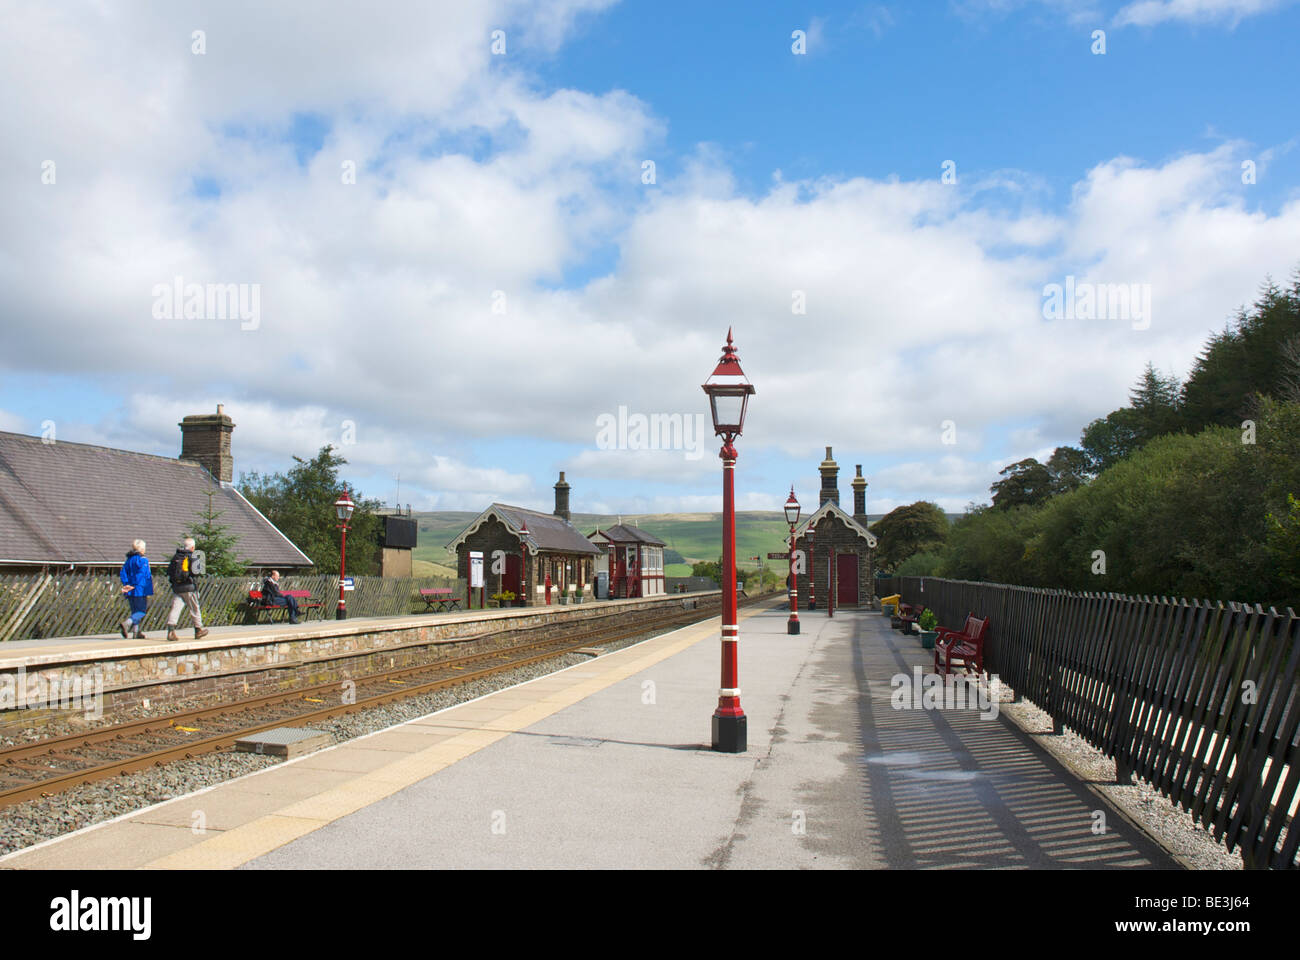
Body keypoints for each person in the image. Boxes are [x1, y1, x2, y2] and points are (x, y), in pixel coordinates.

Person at [165, 538, 210, 641]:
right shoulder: (193, 556)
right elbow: (196, 572)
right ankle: (198, 630)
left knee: (176, 608)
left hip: (177, 588)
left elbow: (169, 572)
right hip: (189, 587)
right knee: (194, 608)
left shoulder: (176, 557)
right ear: (193, 547)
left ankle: (171, 631)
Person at [118, 539, 153, 639]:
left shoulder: (129, 560)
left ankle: (136, 632)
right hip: (140, 589)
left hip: (129, 590)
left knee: (135, 611)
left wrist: (126, 584)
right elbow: (142, 575)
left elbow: (123, 573)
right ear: (142, 549)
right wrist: (134, 584)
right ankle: (127, 623)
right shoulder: (143, 560)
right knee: (142, 611)